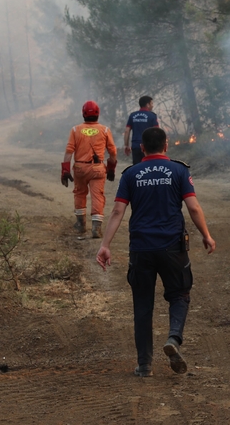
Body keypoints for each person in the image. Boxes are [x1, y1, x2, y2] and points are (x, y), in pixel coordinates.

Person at [95, 127, 216, 377]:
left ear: (142, 148)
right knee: (180, 295)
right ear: (166, 145)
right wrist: (206, 234)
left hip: (141, 249)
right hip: (173, 247)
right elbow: (193, 207)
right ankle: (173, 338)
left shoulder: (131, 174)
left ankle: (145, 365)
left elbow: (118, 211)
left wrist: (105, 245)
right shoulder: (179, 170)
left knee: (142, 306)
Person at [61, 100, 118, 238]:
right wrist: (111, 168)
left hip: (80, 168)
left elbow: (69, 151)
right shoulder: (104, 130)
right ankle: (96, 229)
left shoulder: (75, 130)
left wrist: (65, 170)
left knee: (79, 193)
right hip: (98, 169)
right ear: (98, 114)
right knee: (97, 195)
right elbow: (113, 152)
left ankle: (81, 225)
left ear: (83, 114)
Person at [123, 96, 159, 164]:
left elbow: (127, 131)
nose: (152, 105)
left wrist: (126, 145)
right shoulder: (152, 116)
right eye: (152, 103)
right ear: (148, 104)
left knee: (137, 167)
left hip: (136, 146)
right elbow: (156, 131)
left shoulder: (132, 115)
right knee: (149, 167)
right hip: (149, 147)